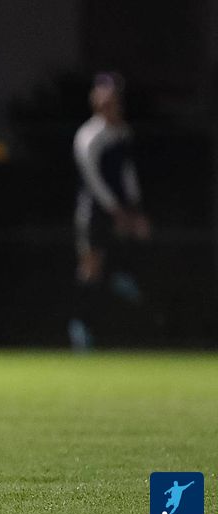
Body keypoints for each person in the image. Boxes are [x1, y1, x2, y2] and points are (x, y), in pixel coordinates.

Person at [68, 71, 151, 350]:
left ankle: (123, 277)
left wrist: (135, 208)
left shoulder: (123, 133)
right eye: (105, 96)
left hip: (121, 209)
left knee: (135, 240)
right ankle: (80, 325)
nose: (110, 102)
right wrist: (115, 209)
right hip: (94, 210)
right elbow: (92, 179)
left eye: (114, 97)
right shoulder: (88, 136)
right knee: (91, 266)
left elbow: (127, 173)